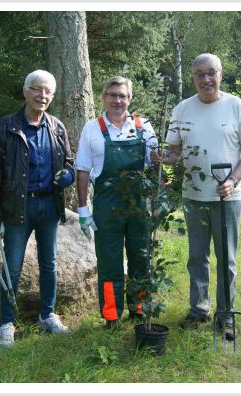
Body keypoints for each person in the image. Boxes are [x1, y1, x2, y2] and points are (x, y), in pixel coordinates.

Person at [155, 53, 241, 339]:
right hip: (194, 197)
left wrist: (233, 179)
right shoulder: (182, 110)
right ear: (193, 78)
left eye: (211, 73)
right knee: (197, 257)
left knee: (226, 259)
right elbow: (174, 152)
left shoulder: (237, 107)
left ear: (221, 74)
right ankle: (199, 309)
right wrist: (162, 157)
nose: (206, 79)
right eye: (200, 74)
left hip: (228, 198)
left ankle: (225, 314)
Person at [0, 69, 75, 348]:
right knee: (12, 267)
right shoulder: (6, 127)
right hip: (16, 208)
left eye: (48, 91)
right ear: (25, 92)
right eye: (37, 89)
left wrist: (68, 174)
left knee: (49, 264)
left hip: (49, 204)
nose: (42, 95)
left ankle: (47, 316)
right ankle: (7, 323)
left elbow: (68, 161)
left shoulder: (57, 127)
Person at [75, 76, 159, 328]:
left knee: (141, 259)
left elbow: (156, 165)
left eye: (123, 96)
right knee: (110, 263)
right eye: (112, 95)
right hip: (107, 206)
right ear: (104, 98)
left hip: (139, 204)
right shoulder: (92, 128)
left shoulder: (144, 126)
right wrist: (83, 210)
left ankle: (140, 309)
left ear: (130, 99)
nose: (117, 100)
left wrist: (159, 170)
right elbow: (82, 170)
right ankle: (112, 316)